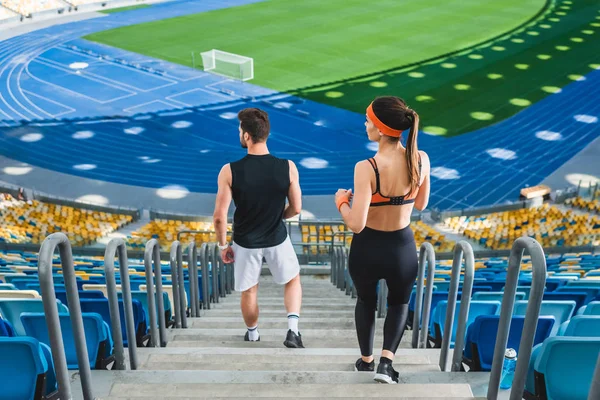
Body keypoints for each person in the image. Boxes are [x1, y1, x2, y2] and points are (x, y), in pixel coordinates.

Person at [334, 96, 431, 383]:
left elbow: (356, 223)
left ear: (379, 129)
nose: (365, 125)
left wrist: (341, 202)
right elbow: (422, 204)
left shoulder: (367, 167)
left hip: (368, 248)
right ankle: (387, 364)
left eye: (367, 120)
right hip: (402, 247)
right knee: (399, 304)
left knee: (365, 301)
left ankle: (366, 361)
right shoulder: (421, 159)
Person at [213, 107, 305, 348]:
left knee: (249, 290)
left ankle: (253, 334)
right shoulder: (288, 167)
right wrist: (278, 216)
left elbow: (219, 217)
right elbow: (296, 208)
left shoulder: (229, 170)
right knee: (292, 280)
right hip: (277, 237)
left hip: (245, 242)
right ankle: (293, 330)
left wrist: (223, 245)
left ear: (246, 136)